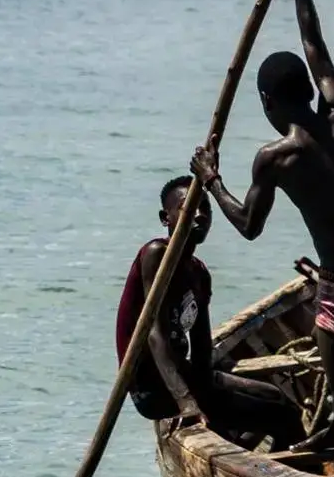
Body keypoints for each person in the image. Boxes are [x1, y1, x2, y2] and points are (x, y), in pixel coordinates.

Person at [192, 0, 334, 475]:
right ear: (307, 89)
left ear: (265, 100)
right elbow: (313, 40)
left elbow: (248, 225)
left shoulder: (275, 157)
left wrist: (211, 179)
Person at [116, 175, 302, 450]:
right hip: (153, 389)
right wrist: (187, 402)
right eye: (189, 207)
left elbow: (202, 347)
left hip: (188, 376)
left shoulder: (199, 273)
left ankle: (240, 447)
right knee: (284, 418)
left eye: (206, 208)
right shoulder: (155, 254)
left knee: (276, 396)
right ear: (165, 217)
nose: (201, 215)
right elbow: (156, 335)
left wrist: (209, 391)